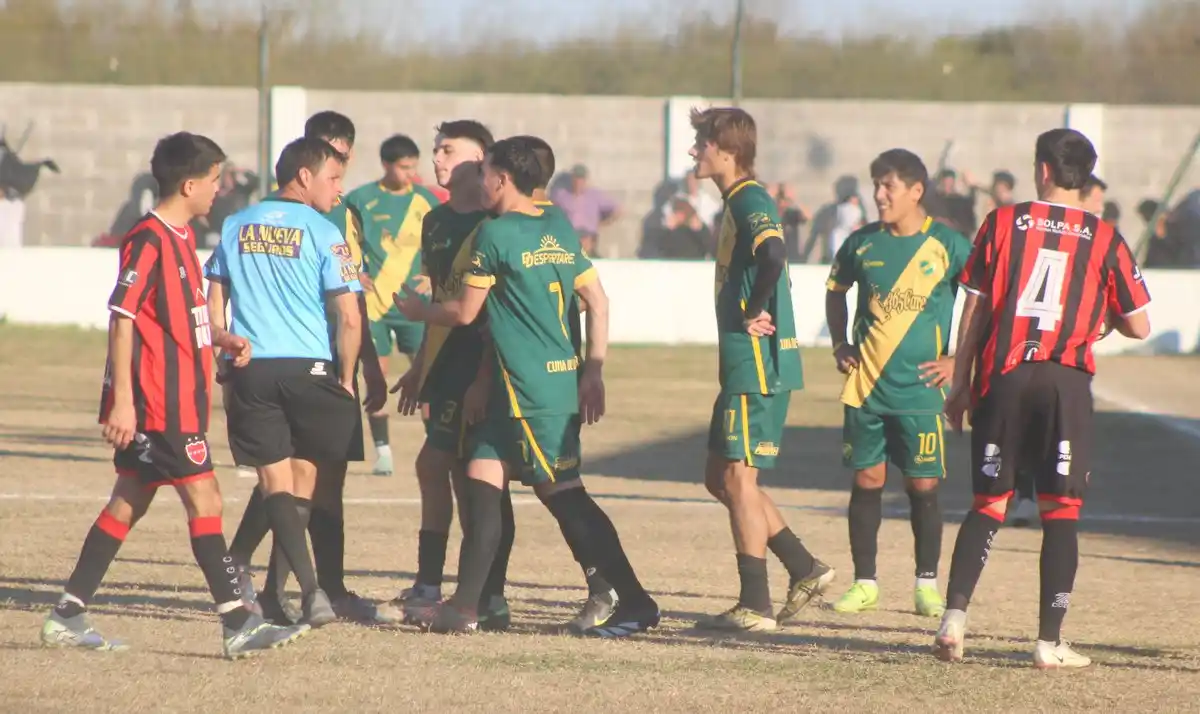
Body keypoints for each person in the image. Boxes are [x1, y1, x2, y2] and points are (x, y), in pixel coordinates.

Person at [40, 132, 309, 659]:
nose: (219, 190)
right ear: (189, 185)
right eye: (214, 180)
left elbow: (177, 318)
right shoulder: (148, 238)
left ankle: (67, 614)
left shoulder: (182, 237)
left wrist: (220, 338)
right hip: (159, 404)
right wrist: (123, 402)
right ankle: (238, 623)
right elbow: (122, 318)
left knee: (128, 501)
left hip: (181, 399)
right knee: (205, 498)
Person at [393, 137, 660, 637]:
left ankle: (636, 601)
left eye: (486, 172)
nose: (481, 180)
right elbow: (598, 301)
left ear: (502, 179)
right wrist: (593, 370)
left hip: (532, 391)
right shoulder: (556, 225)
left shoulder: (494, 234)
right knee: (481, 485)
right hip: (519, 387)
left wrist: (417, 311)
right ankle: (466, 607)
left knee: (565, 497)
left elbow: (465, 312)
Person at [937, 128, 1152, 668]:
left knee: (989, 503)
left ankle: (953, 620)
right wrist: (1100, 320)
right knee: (1060, 510)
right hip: (1064, 381)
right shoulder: (1104, 236)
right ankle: (1048, 642)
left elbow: (974, 307)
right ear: (1085, 176)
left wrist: (961, 381)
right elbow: (1140, 324)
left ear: (1042, 171)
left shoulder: (1002, 222)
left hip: (1005, 374)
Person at [224, 112, 385, 625]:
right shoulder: (323, 227)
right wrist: (348, 377)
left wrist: (223, 350)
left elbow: (211, 298)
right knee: (306, 479)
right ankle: (308, 589)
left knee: (281, 476)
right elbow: (350, 315)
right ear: (305, 175)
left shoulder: (235, 223)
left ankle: (269, 586)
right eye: (334, 176)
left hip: (250, 368)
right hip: (311, 368)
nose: (340, 188)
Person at [686, 107, 833, 633]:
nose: (694, 151)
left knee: (738, 479)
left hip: (758, 365)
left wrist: (754, 309)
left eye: (702, 143)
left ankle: (755, 605)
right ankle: (804, 566)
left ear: (728, 151)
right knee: (719, 478)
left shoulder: (750, 198)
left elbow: (773, 253)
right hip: (741, 366)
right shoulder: (736, 201)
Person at [824, 149, 972, 618]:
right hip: (866, 387)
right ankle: (864, 583)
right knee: (867, 480)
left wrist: (958, 359)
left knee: (922, 486)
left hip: (921, 390)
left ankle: (926, 585)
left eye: (888, 186)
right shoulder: (861, 243)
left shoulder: (947, 244)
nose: (879, 195)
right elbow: (835, 292)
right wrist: (840, 343)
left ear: (915, 191)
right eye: (876, 185)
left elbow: (982, 296)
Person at [374, 119, 502, 627]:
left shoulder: (496, 222)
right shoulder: (436, 220)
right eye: (436, 150)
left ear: (480, 159)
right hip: (446, 362)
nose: (437, 159)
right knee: (440, 468)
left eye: (448, 150)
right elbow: (442, 295)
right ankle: (438, 587)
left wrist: (483, 378)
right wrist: (420, 367)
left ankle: (477, 593)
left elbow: (495, 310)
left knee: (464, 474)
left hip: (481, 362)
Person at [345, 134, 441, 476]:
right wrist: (355, 271)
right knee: (377, 378)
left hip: (415, 305)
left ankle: (436, 444)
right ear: (386, 165)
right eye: (403, 167)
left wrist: (431, 276)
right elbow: (344, 243)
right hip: (375, 306)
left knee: (428, 378)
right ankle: (382, 451)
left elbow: (440, 246)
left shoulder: (427, 201)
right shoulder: (360, 199)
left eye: (414, 166)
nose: (410, 173)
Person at [549, 163, 619, 257]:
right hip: (569, 238)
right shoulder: (562, 195)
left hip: (588, 237)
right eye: (576, 178)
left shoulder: (594, 195)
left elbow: (617, 209)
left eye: (581, 179)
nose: (579, 182)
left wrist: (603, 223)